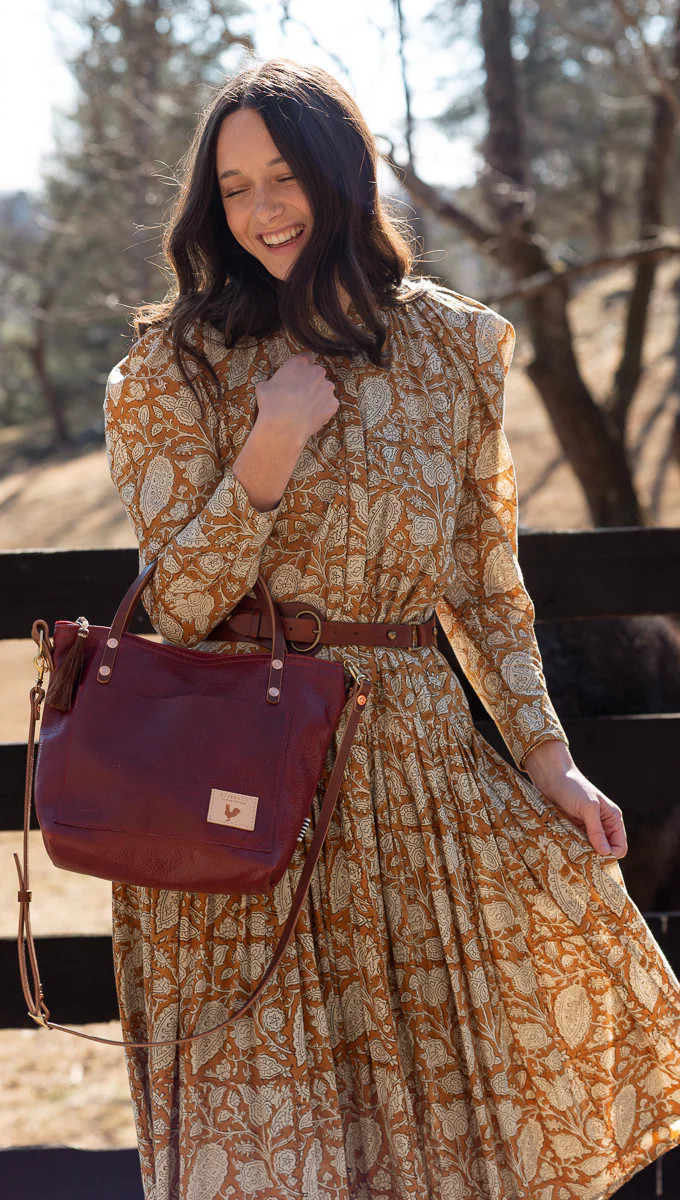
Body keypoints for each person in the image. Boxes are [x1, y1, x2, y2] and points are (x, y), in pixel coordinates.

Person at [103, 56, 680, 1200]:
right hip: (250, 790)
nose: (261, 210)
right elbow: (172, 608)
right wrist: (266, 451)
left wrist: (546, 756)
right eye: (232, 188)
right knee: (285, 1133)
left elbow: (482, 582)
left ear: (341, 174)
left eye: (282, 176)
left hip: (419, 769)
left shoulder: (454, 350)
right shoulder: (175, 369)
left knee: (455, 1114)